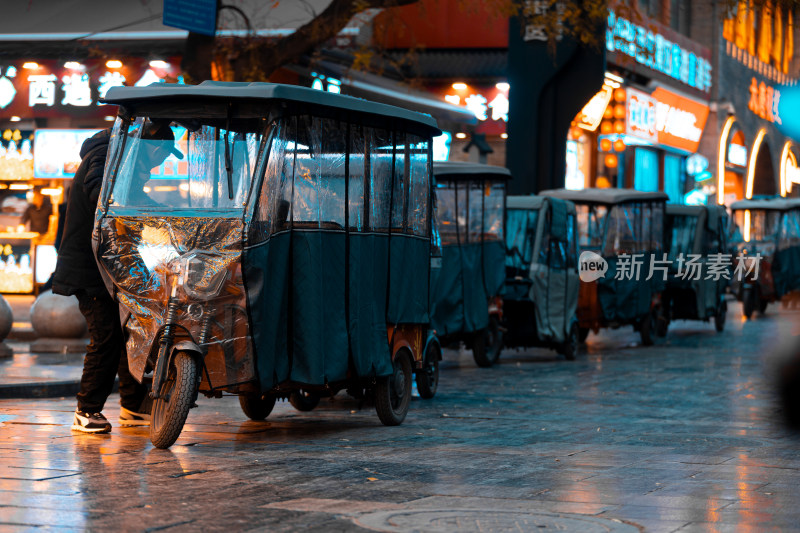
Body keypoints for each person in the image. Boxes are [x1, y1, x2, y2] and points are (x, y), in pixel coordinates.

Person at [53, 122, 176, 433]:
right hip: (90, 265)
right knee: (107, 337)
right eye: (162, 155)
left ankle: (133, 405)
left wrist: (170, 216)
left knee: (128, 334)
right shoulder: (106, 154)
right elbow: (101, 192)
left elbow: (136, 201)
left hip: (113, 264)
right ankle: (86, 410)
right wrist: (129, 210)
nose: (161, 162)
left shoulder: (126, 162)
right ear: (152, 146)